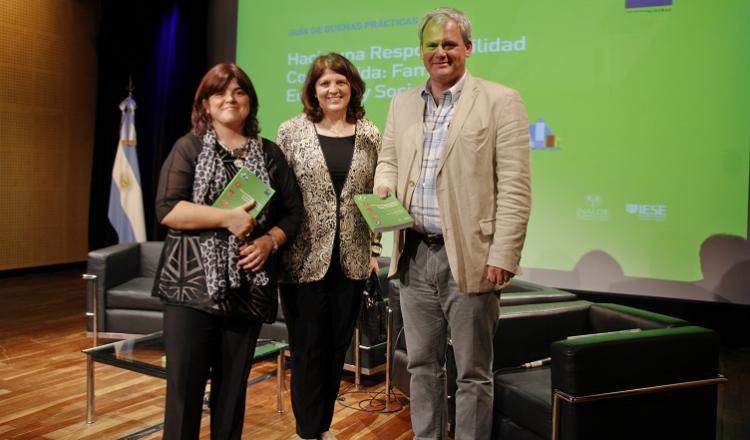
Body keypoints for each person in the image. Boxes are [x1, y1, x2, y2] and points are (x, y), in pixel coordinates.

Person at [374, 7, 531, 440]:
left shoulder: (501, 100)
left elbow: (516, 188)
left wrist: (503, 255)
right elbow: (388, 159)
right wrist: (385, 186)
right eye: (432, 45)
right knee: (422, 365)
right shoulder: (403, 102)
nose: (440, 52)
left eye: (449, 44)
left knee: (473, 373)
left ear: (467, 47)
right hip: (413, 255)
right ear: (421, 51)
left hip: (473, 258)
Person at [154, 63, 302, 439]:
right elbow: (168, 210)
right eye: (219, 93)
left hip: (248, 288)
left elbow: (292, 213)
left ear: (250, 102)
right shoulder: (187, 148)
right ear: (205, 104)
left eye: (238, 92)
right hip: (191, 287)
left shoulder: (269, 154)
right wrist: (226, 218)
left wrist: (269, 242)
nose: (229, 99)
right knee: (184, 392)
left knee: (232, 390)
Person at [276, 52, 381, 440]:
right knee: (306, 350)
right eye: (324, 83)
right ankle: (308, 431)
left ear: (351, 86)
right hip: (301, 260)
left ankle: (322, 426)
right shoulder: (291, 131)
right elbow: (278, 190)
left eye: (340, 81)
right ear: (313, 91)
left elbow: (376, 195)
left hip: (352, 261)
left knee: (337, 350)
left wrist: (374, 251)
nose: (333, 89)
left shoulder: (370, 132)